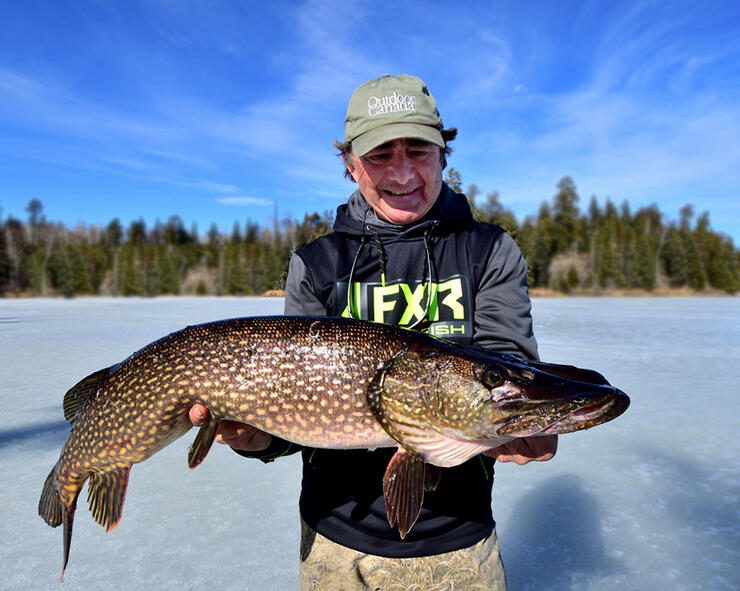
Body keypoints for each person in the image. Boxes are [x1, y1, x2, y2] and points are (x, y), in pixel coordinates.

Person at [190, 73, 557, 590]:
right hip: (332, 544)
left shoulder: (488, 251)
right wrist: (257, 439)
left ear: (443, 155)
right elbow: (291, 408)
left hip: (456, 543)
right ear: (350, 163)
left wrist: (524, 427)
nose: (403, 172)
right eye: (381, 154)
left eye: (419, 150)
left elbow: (504, 369)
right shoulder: (317, 264)